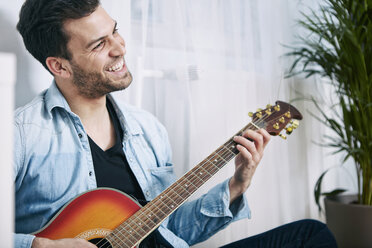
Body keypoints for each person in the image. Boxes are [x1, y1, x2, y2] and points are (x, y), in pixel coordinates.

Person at [14, 0, 337, 247]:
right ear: (59, 66)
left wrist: (236, 186)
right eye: (99, 44)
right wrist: (39, 244)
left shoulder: (148, 129)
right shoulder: (20, 135)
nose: (120, 47)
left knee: (310, 235)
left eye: (115, 31)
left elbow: (171, 231)